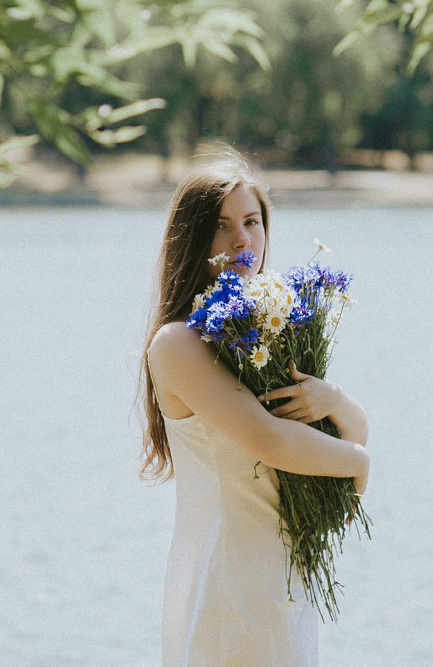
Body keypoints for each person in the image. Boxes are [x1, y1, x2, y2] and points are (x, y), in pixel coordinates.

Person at [138, 154, 370, 667]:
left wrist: (336, 401)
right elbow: (270, 440)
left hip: (282, 577)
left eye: (251, 221)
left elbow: (349, 429)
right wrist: (357, 462)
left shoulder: (265, 333)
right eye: (221, 226)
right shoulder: (177, 344)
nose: (242, 240)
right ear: (191, 241)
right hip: (229, 582)